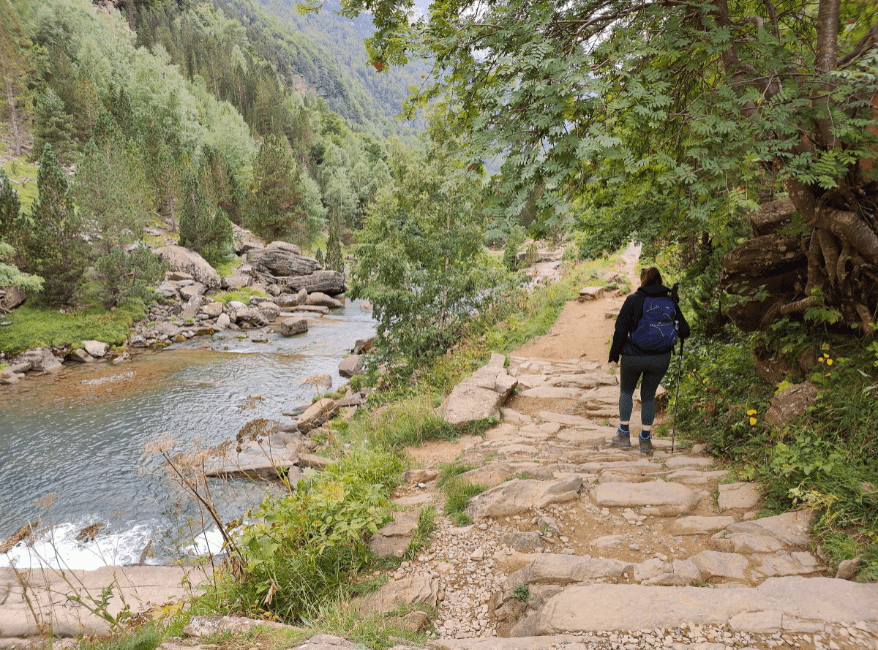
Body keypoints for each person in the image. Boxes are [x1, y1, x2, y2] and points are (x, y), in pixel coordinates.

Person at [608, 267, 690, 454]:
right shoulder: (670, 302)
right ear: (660, 281)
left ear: (642, 280)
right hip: (660, 358)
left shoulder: (633, 300)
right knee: (647, 396)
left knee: (627, 392)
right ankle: (645, 440)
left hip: (633, 356)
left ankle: (623, 434)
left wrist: (614, 355)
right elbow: (685, 330)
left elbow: (620, 329)